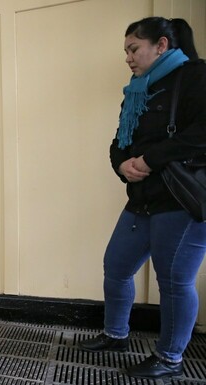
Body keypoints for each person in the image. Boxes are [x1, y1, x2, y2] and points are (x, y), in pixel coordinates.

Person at [78, 17, 206, 378]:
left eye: (134, 49)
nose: (128, 58)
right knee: (116, 267)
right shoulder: (138, 89)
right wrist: (122, 166)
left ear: (161, 45)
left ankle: (170, 359)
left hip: (182, 200)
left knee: (174, 282)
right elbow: (120, 140)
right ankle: (117, 335)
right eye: (126, 51)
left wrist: (150, 159)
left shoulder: (195, 76)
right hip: (143, 197)